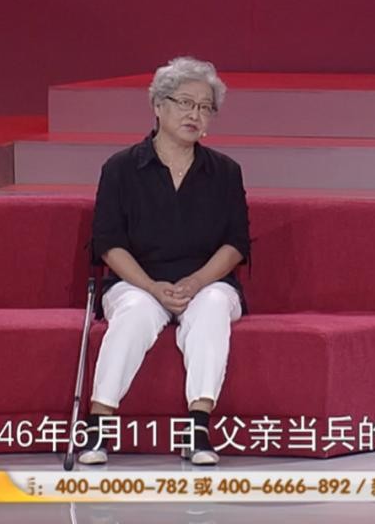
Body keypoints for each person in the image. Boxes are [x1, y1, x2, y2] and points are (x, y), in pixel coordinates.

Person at [80, 56, 250, 466]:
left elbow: (235, 244)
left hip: (207, 282)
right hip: (137, 282)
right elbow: (109, 243)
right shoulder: (121, 168)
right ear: (158, 105)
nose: (195, 115)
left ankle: (198, 429)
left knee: (212, 305)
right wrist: (151, 287)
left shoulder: (225, 172)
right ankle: (98, 428)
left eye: (205, 107)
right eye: (185, 103)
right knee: (136, 311)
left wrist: (196, 282)